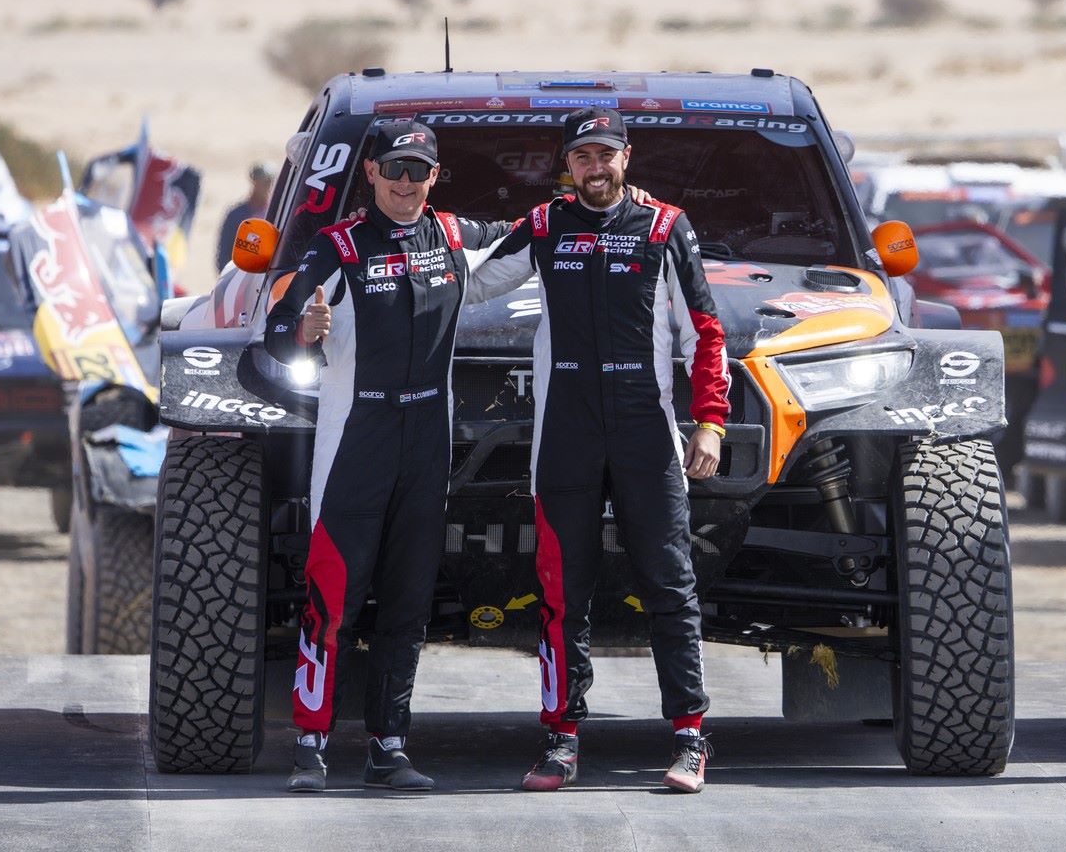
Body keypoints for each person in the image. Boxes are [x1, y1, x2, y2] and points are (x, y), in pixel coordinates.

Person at [469, 105, 729, 794]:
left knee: (670, 586)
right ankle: (559, 739)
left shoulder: (666, 226)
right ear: (568, 165)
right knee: (561, 593)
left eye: (605, 154)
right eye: (582, 156)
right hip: (568, 434)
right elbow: (469, 284)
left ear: (626, 157)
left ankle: (690, 738)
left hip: (647, 429)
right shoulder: (545, 224)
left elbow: (706, 331)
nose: (595, 166)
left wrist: (711, 422)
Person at [265, 120, 511, 793]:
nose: (405, 183)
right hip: (356, 439)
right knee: (332, 597)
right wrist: (303, 333)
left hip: (427, 439)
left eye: (419, 171)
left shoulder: (456, 237)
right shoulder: (337, 246)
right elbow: (277, 326)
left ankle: (388, 747)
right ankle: (310, 748)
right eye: (394, 169)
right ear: (371, 172)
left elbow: (533, 238)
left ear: (435, 176)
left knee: (408, 602)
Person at [217, 162, 274, 272]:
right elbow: (224, 251)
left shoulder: (275, 214)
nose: (269, 185)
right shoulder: (236, 215)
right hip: (237, 275)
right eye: (265, 181)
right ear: (254, 181)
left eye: (271, 181)